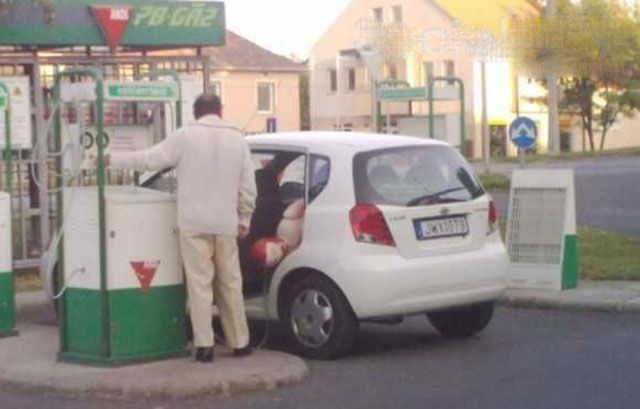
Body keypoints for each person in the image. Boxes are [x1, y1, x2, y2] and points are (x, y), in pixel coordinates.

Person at [105, 94, 257, 363]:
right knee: (231, 282)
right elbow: (248, 185)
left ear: (196, 112)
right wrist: (244, 218)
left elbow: (150, 159)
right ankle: (240, 342)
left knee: (200, 284)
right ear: (220, 111)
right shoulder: (238, 139)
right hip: (225, 222)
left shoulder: (185, 136)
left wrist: (112, 159)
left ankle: (205, 346)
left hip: (193, 222)